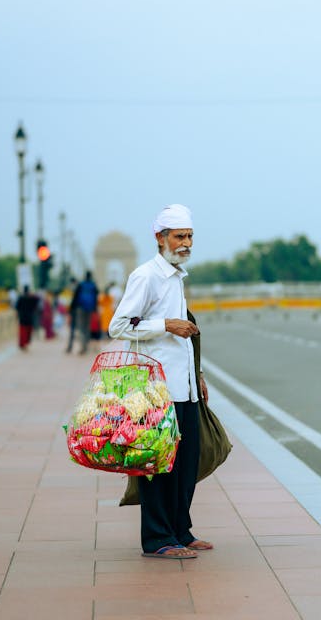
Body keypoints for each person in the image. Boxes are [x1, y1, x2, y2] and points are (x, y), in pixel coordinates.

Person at [109, 203, 212, 560]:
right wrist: (166, 324)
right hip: (154, 392)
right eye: (180, 236)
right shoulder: (146, 276)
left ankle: (180, 531)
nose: (186, 243)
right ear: (160, 238)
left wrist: (197, 375)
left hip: (183, 389)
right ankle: (157, 539)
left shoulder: (176, 277)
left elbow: (182, 340)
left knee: (185, 465)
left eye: (190, 236)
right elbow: (119, 325)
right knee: (157, 464)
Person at [69, 271, 99, 355]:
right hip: (89, 309)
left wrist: (71, 309)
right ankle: (86, 346)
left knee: (81, 328)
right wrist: (95, 309)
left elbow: (75, 297)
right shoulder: (93, 285)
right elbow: (96, 298)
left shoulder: (81, 285)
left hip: (80, 308)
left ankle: (82, 347)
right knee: (87, 328)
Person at [15, 285, 40, 349]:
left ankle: (22, 344)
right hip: (29, 317)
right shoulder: (31, 298)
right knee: (28, 331)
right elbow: (37, 300)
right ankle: (26, 343)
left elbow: (17, 307)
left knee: (23, 331)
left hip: (22, 317)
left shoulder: (21, 297)